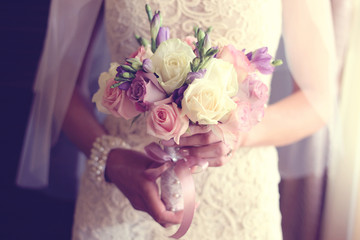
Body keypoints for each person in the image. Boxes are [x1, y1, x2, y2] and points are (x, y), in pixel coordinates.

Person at [17, 0, 337, 239]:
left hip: (239, 200)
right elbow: (57, 85)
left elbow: (318, 98)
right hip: (119, 193)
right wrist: (111, 158)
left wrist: (240, 135)